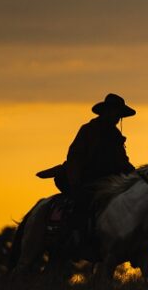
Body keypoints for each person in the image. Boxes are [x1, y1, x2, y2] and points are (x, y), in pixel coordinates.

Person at [53, 93, 137, 243]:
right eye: (115, 113)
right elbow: (75, 157)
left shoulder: (116, 136)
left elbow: (123, 161)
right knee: (84, 201)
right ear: (106, 112)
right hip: (85, 179)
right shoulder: (88, 130)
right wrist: (75, 182)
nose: (117, 118)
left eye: (119, 115)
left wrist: (137, 176)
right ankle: (75, 234)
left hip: (108, 181)